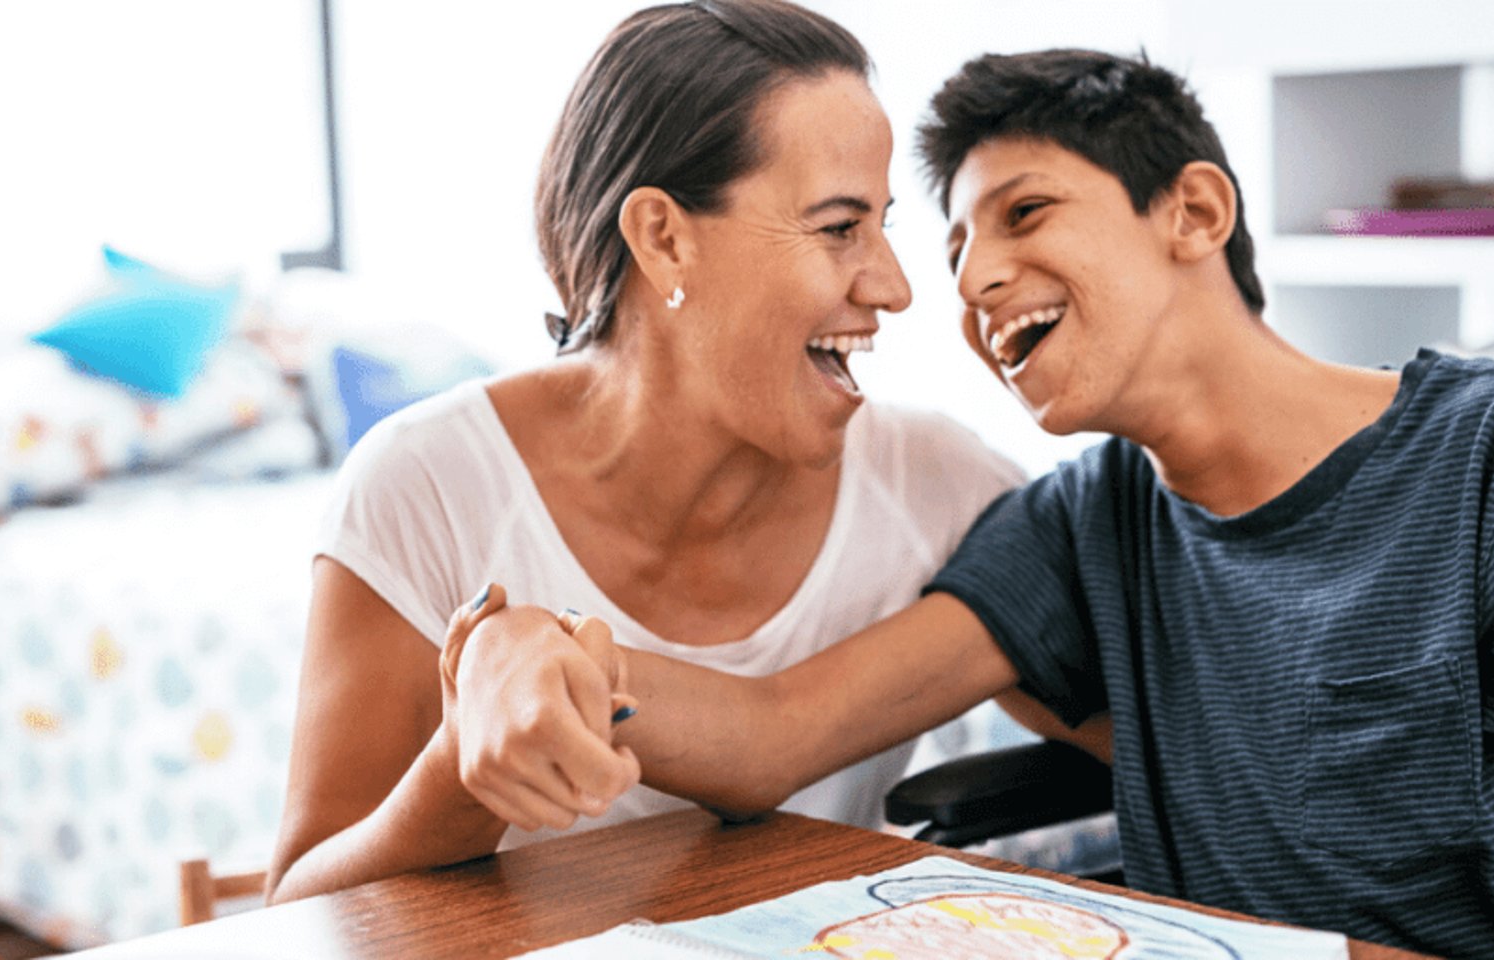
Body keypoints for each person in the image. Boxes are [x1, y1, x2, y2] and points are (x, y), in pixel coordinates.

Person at [454, 50, 1494, 960]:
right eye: (951, 252)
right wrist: (528, 652)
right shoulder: (1084, 519)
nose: (972, 279)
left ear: (1194, 212)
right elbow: (776, 729)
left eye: (1026, 212)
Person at [262, 0, 1029, 905]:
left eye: (882, 224)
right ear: (664, 237)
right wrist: (464, 765)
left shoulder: (934, 482)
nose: (895, 287)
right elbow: (298, 917)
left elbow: (1132, 711)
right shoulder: (423, 487)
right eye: (837, 228)